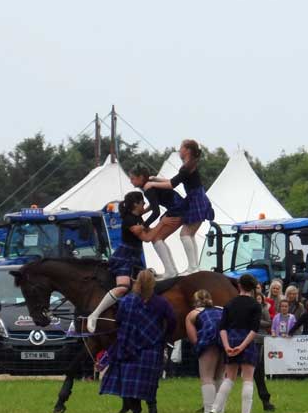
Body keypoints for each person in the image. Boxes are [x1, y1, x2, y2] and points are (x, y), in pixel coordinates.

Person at [98, 269, 172, 413]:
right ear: (153, 283)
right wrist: (163, 337)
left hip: (129, 346)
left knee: (131, 383)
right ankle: (152, 410)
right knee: (150, 381)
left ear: (136, 282)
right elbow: (172, 321)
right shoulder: (161, 302)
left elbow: (118, 320)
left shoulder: (127, 301)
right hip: (152, 346)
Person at [140, 139, 215, 275]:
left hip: (195, 200)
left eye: (181, 147)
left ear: (187, 150)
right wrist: (156, 180)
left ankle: (192, 268)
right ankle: (194, 266)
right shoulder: (189, 165)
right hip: (197, 199)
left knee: (185, 234)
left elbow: (171, 185)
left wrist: (152, 184)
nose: (179, 150)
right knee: (189, 234)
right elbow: (173, 181)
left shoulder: (187, 167)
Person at [89, 192, 153, 330]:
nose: (144, 205)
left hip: (135, 256)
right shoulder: (130, 220)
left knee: (143, 288)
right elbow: (147, 237)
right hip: (125, 255)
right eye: (143, 203)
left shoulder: (137, 217)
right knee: (122, 288)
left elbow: (148, 214)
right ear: (136, 204)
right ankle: (94, 314)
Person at [210, 273, 264, 413]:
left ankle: (214, 409)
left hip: (231, 339)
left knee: (229, 378)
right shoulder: (255, 305)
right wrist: (242, 346)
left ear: (239, 286)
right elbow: (254, 329)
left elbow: (222, 328)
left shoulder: (229, 303)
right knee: (247, 379)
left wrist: (227, 346)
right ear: (252, 287)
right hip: (246, 340)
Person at [128, 164, 181, 277]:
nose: (131, 181)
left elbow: (156, 212)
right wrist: (144, 212)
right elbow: (154, 204)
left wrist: (143, 226)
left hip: (177, 209)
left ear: (141, 177)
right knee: (158, 238)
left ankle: (170, 271)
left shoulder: (147, 187)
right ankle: (172, 270)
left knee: (156, 238)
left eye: (132, 178)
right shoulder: (148, 184)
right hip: (177, 207)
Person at [185, 289, 224, 413]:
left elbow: (194, 339)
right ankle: (219, 410)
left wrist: (199, 350)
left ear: (195, 302)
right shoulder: (221, 309)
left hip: (209, 342)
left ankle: (208, 411)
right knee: (219, 376)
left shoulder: (192, 314)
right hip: (225, 341)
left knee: (206, 376)